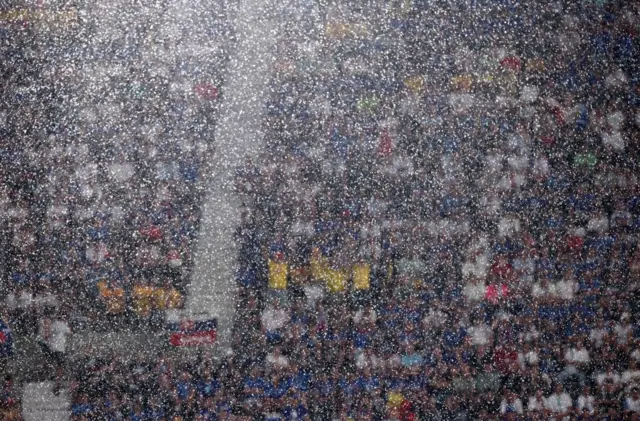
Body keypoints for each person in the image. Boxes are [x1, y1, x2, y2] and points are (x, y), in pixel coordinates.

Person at [38, 308, 71, 395]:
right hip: (59, 349)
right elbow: (70, 332)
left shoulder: (52, 324)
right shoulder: (61, 325)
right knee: (60, 366)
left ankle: (48, 375)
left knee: (53, 363)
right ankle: (57, 382)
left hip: (52, 347)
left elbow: (46, 336)